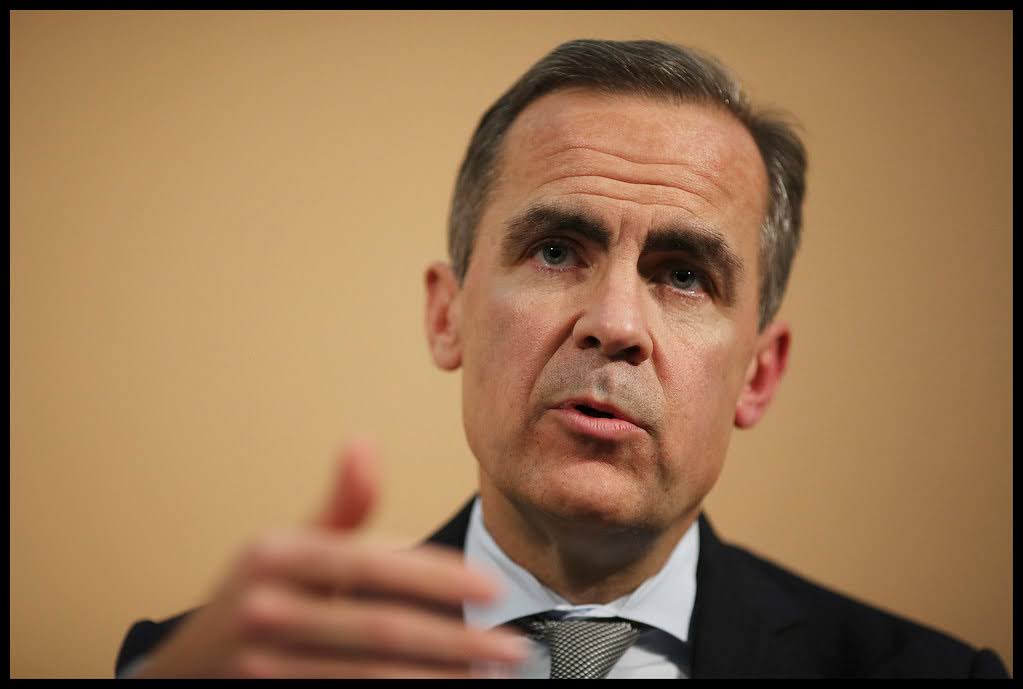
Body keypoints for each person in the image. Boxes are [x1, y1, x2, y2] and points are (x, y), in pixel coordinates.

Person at [114, 39, 1009, 679]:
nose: (614, 323)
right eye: (554, 251)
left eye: (684, 275)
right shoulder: (230, 666)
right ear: (446, 315)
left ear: (758, 373)